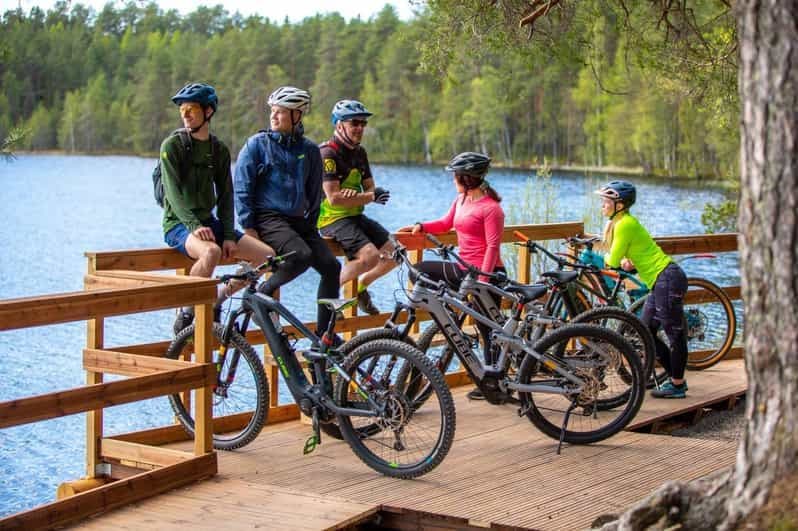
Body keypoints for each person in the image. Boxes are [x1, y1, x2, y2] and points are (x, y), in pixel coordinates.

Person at [161, 82, 274, 335]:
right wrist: (194, 226)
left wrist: (228, 235)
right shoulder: (172, 146)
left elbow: (226, 195)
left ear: (208, 111)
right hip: (178, 224)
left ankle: (219, 298)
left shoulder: (218, 150)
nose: (185, 114)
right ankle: (187, 313)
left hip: (209, 222)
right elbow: (173, 194)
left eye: (190, 108)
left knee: (267, 258)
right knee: (210, 253)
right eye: (182, 109)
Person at [233, 86, 341, 339]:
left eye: (280, 112)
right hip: (268, 218)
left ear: (297, 116)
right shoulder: (257, 145)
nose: (274, 116)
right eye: (272, 111)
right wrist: (249, 228)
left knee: (331, 267)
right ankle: (261, 296)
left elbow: (315, 192)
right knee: (300, 256)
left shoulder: (310, 150)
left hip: (299, 222)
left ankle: (325, 335)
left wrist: (311, 226)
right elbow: (242, 187)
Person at [397, 152, 505, 400]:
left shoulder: (491, 208)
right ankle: (450, 307)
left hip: (486, 274)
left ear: (466, 178)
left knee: (489, 330)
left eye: (455, 175)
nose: (453, 179)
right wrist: (421, 226)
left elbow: (492, 247)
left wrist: (482, 282)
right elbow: (446, 223)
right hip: (462, 270)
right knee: (421, 271)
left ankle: (493, 383)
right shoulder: (462, 199)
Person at [595, 180, 689, 398]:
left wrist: (606, 258)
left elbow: (612, 261)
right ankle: (674, 378)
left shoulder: (624, 224)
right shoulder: (621, 223)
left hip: (667, 278)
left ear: (619, 204)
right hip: (659, 281)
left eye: (606, 200)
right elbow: (634, 255)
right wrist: (630, 262)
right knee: (644, 332)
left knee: (675, 335)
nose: (602, 204)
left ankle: (677, 384)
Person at [317, 100, 395, 315]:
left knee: (396, 254)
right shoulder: (327, 153)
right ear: (339, 124)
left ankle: (360, 288)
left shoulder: (360, 152)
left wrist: (360, 196)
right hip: (331, 219)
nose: (360, 128)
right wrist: (366, 197)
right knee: (369, 256)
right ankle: (333, 296)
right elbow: (334, 198)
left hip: (355, 216)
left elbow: (371, 187)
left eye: (363, 123)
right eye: (355, 123)